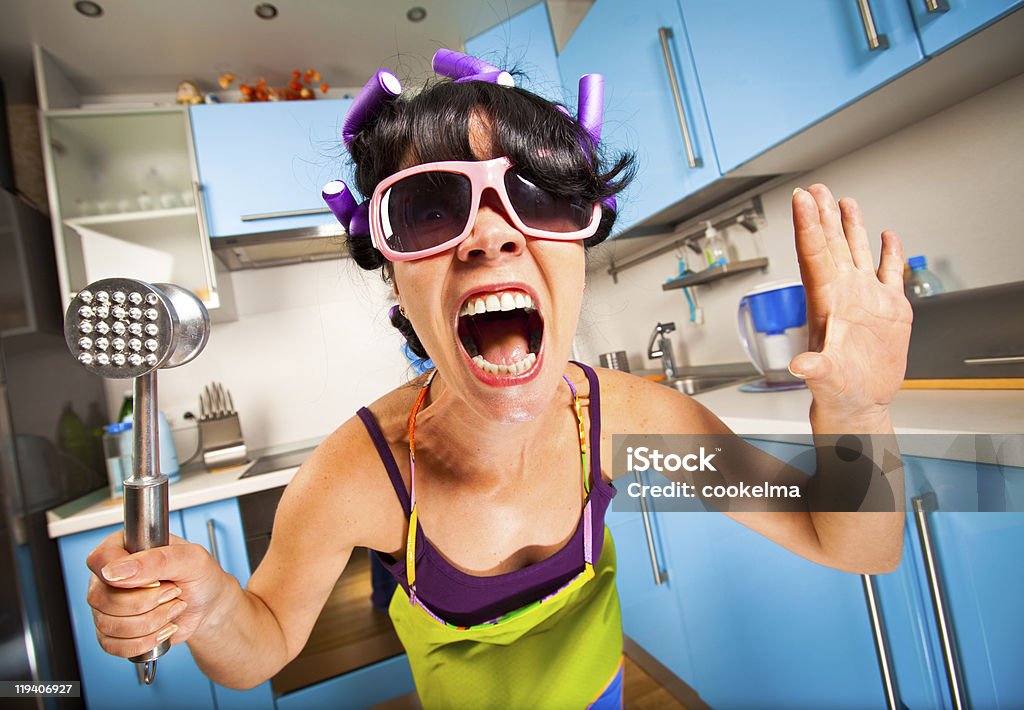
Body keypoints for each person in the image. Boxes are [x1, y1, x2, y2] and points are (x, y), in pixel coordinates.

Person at [84, 51, 912, 708]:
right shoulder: (359, 477)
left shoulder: (630, 423)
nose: (490, 237)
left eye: (539, 198)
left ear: (581, 247)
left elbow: (850, 544)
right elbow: (259, 645)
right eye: (431, 209)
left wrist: (858, 409)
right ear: (394, 274)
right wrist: (214, 608)